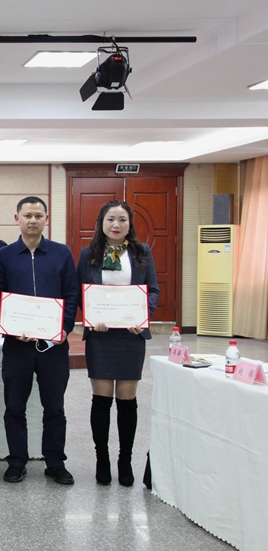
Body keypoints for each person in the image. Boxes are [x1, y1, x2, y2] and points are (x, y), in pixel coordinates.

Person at [0, 196, 79, 485]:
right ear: (17, 218)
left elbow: (72, 294)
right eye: (27, 215)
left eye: (38, 215)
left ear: (46, 219)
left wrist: (65, 328)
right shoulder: (4, 256)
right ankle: (17, 461)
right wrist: (10, 327)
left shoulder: (61, 253)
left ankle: (55, 463)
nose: (33, 220)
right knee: (15, 407)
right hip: (17, 345)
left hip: (54, 346)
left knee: (54, 408)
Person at [77, 200, 159, 487]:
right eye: (110, 219)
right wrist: (92, 317)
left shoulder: (141, 251)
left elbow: (152, 290)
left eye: (122, 219)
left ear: (129, 224)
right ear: (101, 222)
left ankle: (125, 460)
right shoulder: (89, 254)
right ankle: (102, 458)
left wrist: (143, 317)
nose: (116, 224)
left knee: (126, 401)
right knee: (101, 401)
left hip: (130, 336)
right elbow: (81, 291)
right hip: (101, 336)